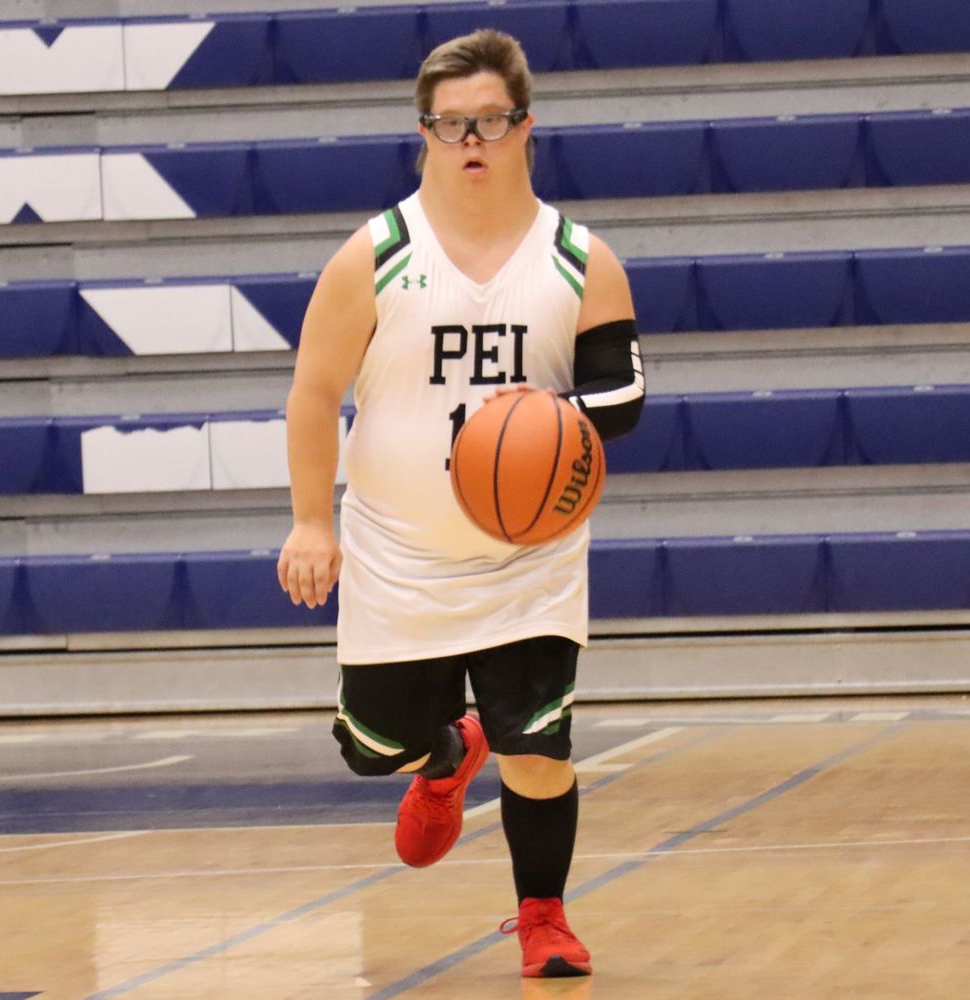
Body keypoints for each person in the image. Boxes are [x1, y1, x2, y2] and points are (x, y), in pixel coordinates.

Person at [277, 28, 643, 980]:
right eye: (450, 126)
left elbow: (623, 401)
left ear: (526, 126)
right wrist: (312, 521)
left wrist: (543, 416)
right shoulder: (375, 255)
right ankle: (444, 756)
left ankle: (543, 919)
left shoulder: (580, 259)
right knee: (374, 749)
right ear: (424, 135)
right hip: (400, 555)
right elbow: (314, 394)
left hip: (531, 556)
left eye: (487, 121)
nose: (470, 140)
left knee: (541, 748)